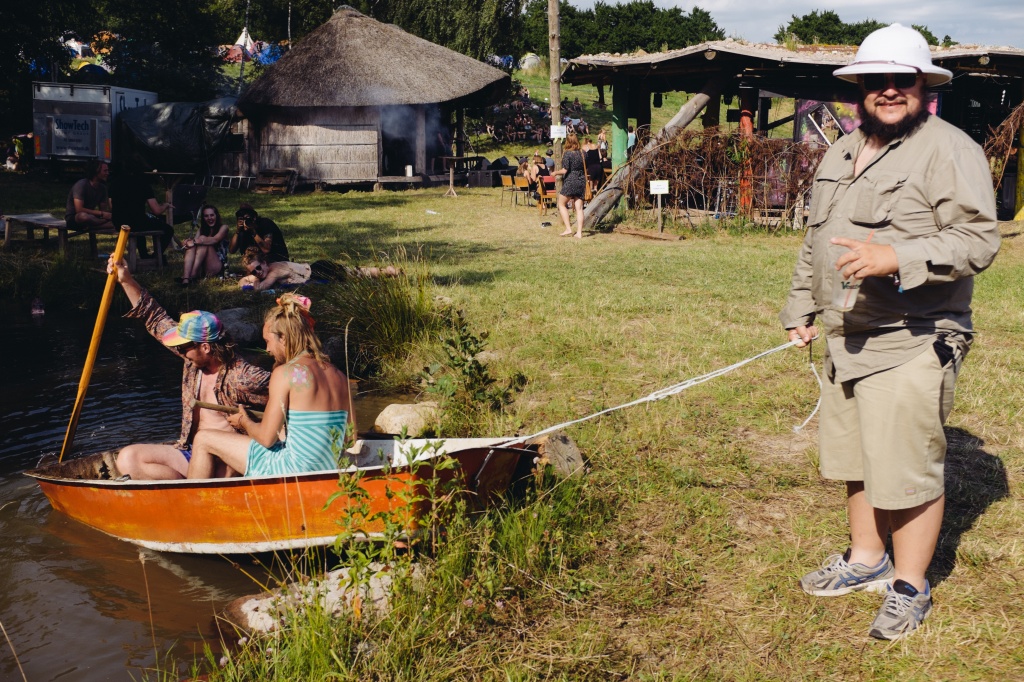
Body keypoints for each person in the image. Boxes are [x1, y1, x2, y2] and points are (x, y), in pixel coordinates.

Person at [780, 24, 1001, 641]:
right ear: (859, 88)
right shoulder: (841, 150)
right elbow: (816, 241)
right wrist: (801, 307)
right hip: (846, 336)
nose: (889, 90)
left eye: (902, 79)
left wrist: (896, 257)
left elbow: (978, 240)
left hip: (914, 336)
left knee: (906, 467)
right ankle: (866, 559)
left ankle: (909, 585)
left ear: (924, 85)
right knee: (856, 459)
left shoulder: (950, 150)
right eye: (876, 80)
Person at [106, 256, 271, 480]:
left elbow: (289, 393)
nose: (179, 352)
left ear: (205, 347)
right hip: (192, 452)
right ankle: (183, 491)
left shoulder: (242, 376)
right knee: (128, 458)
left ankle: (194, 490)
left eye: (183, 348)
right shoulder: (194, 361)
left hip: (226, 464)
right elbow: (154, 317)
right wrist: (125, 279)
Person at [187, 294, 355, 479]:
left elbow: (266, 439)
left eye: (267, 341)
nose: (267, 350)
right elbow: (351, 438)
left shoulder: (285, 373)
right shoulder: (341, 377)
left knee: (203, 439)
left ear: (283, 338)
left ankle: (192, 496)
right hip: (329, 469)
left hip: (291, 470)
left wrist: (244, 422)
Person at [239, 247, 399, 292]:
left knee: (355, 274)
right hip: (315, 271)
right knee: (356, 272)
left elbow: (261, 288)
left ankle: (388, 271)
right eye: (253, 271)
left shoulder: (273, 271)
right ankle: (387, 271)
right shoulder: (266, 272)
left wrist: (253, 282)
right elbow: (242, 281)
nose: (257, 272)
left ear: (265, 263)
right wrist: (250, 279)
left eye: (258, 268)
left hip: (320, 270)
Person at [108, 163, 175, 258]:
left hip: (118, 222)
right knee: (168, 230)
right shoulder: (143, 184)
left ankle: (144, 254)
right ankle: (156, 256)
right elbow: (156, 210)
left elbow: (111, 205)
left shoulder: (115, 183)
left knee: (140, 223)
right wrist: (165, 205)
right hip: (137, 221)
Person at [180, 204, 229, 285]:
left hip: (217, 265)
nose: (209, 218)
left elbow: (215, 239)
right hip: (203, 266)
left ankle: (193, 275)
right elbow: (193, 244)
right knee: (193, 246)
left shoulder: (224, 227)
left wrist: (195, 241)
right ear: (203, 218)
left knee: (203, 240)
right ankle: (186, 278)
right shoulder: (201, 229)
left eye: (212, 215)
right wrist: (186, 243)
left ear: (216, 216)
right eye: (206, 216)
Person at [64, 159, 114, 234]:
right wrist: (102, 214)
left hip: (92, 218)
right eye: (105, 171)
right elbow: (79, 209)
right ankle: (98, 225)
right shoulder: (81, 185)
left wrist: (108, 214)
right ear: (96, 172)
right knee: (83, 216)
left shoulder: (103, 188)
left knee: (115, 220)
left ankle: (91, 227)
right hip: (75, 218)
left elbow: (103, 210)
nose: (107, 173)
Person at [553, 134, 587, 238]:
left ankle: (568, 229)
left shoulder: (568, 154)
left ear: (567, 141)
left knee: (561, 204)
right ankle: (579, 232)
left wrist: (555, 173)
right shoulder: (583, 153)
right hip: (581, 180)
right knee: (579, 208)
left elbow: (565, 170)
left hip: (571, 180)